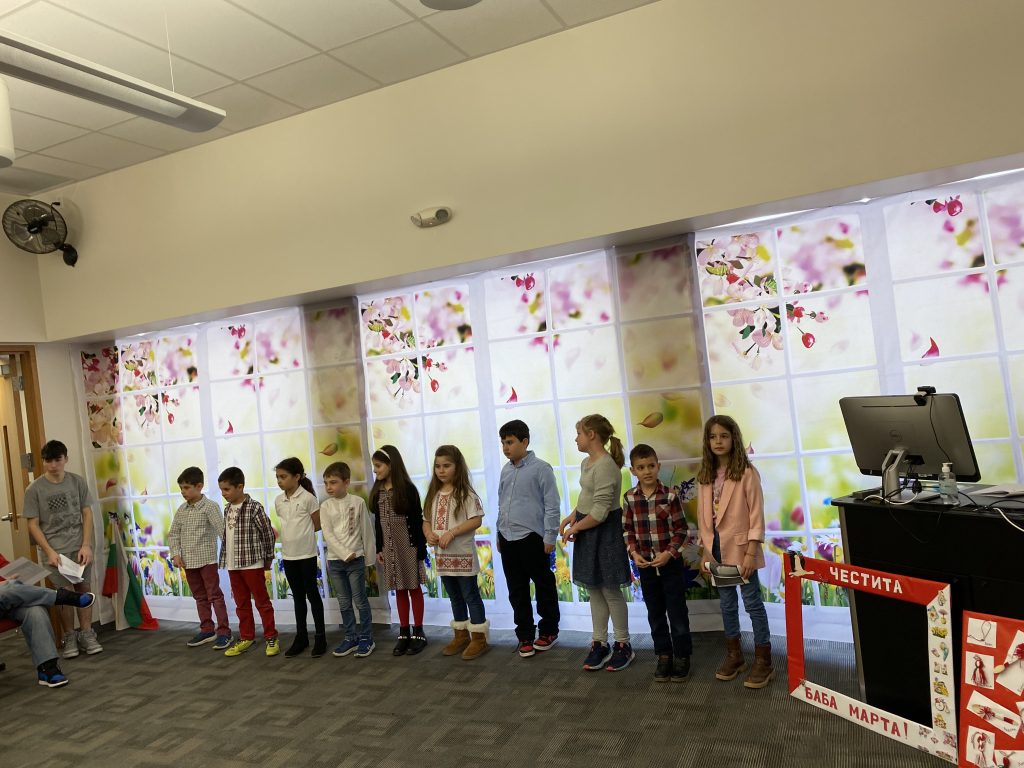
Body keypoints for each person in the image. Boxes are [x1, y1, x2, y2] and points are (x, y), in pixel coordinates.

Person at [697, 415, 773, 689]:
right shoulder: (705, 476)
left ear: (734, 439)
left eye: (724, 436)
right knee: (727, 604)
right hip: (717, 549)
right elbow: (704, 518)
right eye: (712, 437)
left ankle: (764, 659)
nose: (718, 441)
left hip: (742, 549)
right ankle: (735, 655)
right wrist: (706, 551)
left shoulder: (747, 473)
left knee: (752, 602)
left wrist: (752, 553)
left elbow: (756, 515)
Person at [560, 414, 633, 672]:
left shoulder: (606, 466)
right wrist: (573, 516)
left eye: (579, 433)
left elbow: (601, 512)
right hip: (588, 528)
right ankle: (600, 642)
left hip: (604, 533)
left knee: (610, 590)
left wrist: (576, 528)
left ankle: (623, 644)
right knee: (594, 589)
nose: (576, 439)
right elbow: (587, 497)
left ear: (591, 435)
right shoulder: (587, 463)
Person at [23, 439, 102, 658]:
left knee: (84, 588)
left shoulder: (77, 482)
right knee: (64, 594)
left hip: (79, 546)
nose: (53, 465)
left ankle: (87, 633)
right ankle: (69, 636)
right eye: (48, 461)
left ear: (66, 459)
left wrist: (86, 544)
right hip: (54, 550)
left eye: (57, 460)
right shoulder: (34, 489)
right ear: (43, 461)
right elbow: (32, 524)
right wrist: (49, 551)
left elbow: (87, 513)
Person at [623, 444, 692, 682]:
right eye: (641, 467)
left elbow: (681, 530)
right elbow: (627, 530)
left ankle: (682, 656)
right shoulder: (630, 498)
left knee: (677, 611)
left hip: (670, 564)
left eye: (651, 466)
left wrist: (669, 554)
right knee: (655, 612)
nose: (647, 471)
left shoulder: (670, 495)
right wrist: (634, 553)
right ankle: (664, 655)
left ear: (658, 466)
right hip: (646, 566)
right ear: (633, 470)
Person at [496, 419, 561, 658]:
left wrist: (550, 536)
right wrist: (499, 533)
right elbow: (502, 503)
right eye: (503, 443)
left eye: (510, 442)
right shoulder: (505, 470)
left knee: (543, 585)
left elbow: (552, 505)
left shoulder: (542, 469)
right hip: (507, 537)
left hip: (532, 537)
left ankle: (549, 630)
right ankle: (525, 634)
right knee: (516, 589)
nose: (506, 447)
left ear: (524, 442)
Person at [423, 445, 489, 660]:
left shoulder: (466, 494)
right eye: (437, 466)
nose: (441, 470)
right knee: (454, 597)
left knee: (470, 595)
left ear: (457, 467)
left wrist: (452, 532)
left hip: (463, 555)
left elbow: (476, 520)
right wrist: (428, 533)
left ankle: (479, 638)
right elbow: (425, 520)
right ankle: (461, 635)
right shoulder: (433, 494)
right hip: (443, 557)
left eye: (446, 466)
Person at [370, 445, 428, 656]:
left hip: (409, 546)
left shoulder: (408, 490)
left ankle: (418, 631)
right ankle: (404, 631)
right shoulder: (378, 492)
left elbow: (417, 520)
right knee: (399, 589)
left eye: (378, 466)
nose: (375, 470)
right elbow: (378, 523)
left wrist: (421, 548)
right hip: (390, 547)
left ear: (391, 465)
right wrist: (379, 547)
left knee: (413, 587)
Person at [218, 467, 279, 658]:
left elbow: (268, 534)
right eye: (221, 490)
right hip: (233, 564)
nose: (223, 494)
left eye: (227, 489)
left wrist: (268, 558)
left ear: (240, 487)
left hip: (252, 563)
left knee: (262, 602)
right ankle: (246, 636)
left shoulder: (254, 507)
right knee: (241, 603)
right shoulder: (227, 509)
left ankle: (271, 636)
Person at [168, 466, 231, 650]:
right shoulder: (182, 510)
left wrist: (230, 554)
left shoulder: (210, 507)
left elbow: (222, 531)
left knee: (215, 596)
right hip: (189, 563)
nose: (183, 492)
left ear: (199, 486)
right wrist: (176, 554)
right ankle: (207, 629)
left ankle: (224, 632)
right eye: (181, 488)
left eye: (186, 488)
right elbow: (173, 534)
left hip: (207, 561)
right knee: (199, 597)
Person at [320, 461, 376, 659]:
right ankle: (350, 637)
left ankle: (367, 637)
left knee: (360, 600)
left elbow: (366, 531)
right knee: (344, 603)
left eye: (333, 482)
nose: (329, 487)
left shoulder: (358, 502)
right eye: (326, 483)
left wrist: (369, 559)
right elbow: (328, 534)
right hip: (335, 562)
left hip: (356, 560)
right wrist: (344, 553)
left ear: (346, 482)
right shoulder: (325, 506)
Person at [274, 457, 325, 658]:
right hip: (289, 556)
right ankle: (301, 637)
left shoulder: (308, 498)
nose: (279, 481)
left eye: (283, 477)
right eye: (277, 477)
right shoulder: (279, 500)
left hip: (306, 555)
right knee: (297, 597)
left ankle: (320, 637)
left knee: (312, 594)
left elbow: (317, 524)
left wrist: (303, 539)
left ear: (297, 477)